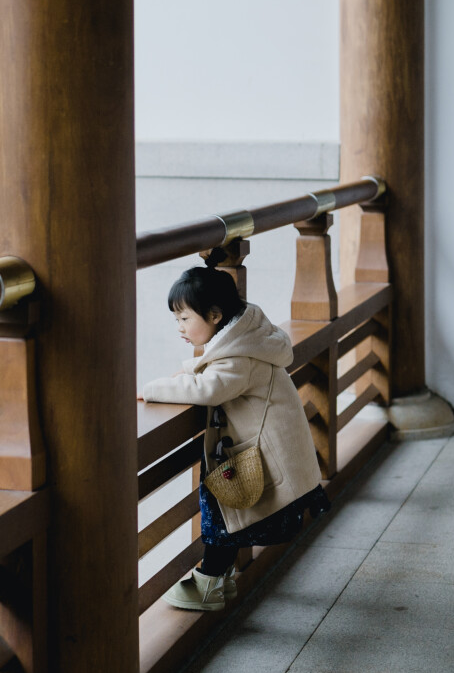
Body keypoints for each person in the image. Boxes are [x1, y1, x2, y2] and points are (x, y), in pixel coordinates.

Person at [140, 261, 329, 611]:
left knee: (224, 515)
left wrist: (153, 389)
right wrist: (187, 368)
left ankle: (209, 585)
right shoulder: (247, 338)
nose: (178, 327)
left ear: (214, 315)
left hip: (265, 456)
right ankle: (217, 580)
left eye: (184, 318)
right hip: (269, 450)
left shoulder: (241, 357)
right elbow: (214, 366)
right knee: (227, 514)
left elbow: (211, 387)